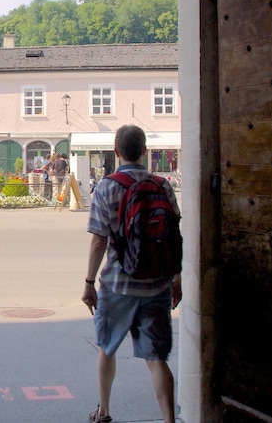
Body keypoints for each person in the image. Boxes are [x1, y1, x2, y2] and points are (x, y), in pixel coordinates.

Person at [81, 125, 182, 423]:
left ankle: (104, 412)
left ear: (116, 151)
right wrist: (176, 279)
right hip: (157, 286)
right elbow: (174, 236)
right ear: (144, 150)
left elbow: (99, 239)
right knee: (157, 359)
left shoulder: (107, 187)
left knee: (107, 348)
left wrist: (89, 283)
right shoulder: (162, 185)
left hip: (117, 286)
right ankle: (169, 420)